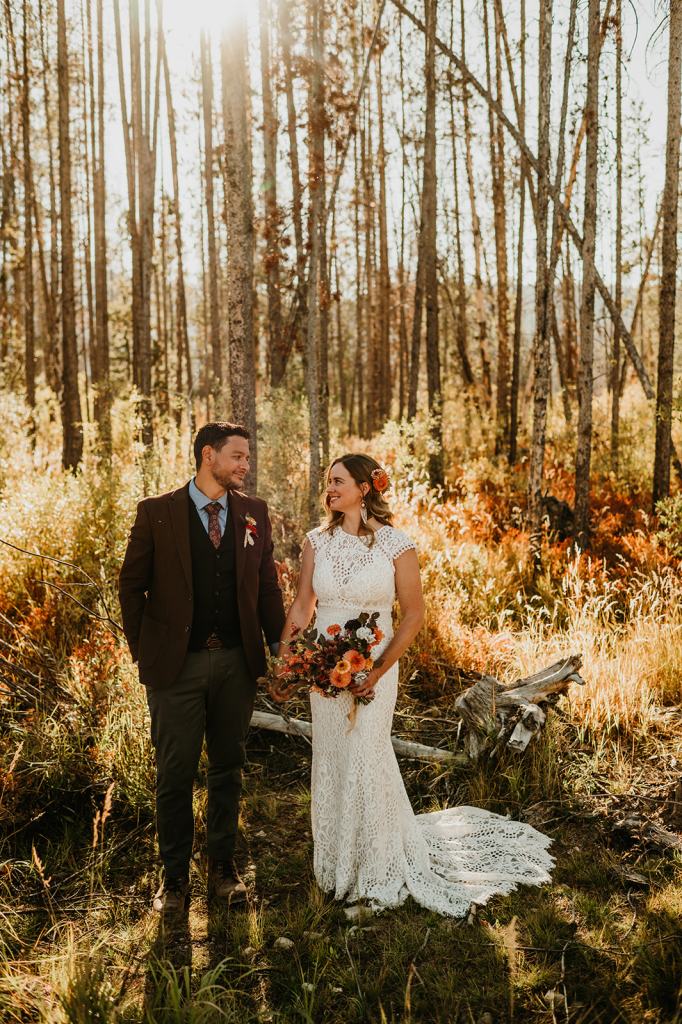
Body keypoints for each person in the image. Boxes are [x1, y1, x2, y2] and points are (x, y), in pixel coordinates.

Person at [278, 453, 554, 916]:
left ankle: (377, 869)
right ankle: (337, 863)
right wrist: (288, 661)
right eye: (328, 482)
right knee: (333, 758)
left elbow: (413, 615)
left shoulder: (396, 546)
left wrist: (377, 671)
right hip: (324, 669)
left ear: (365, 488)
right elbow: (304, 603)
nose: (329, 489)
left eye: (339, 481)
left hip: (375, 667)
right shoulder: (315, 542)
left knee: (367, 754)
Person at [118, 422, 285, 914]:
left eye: (247, 458)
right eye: (237, 456)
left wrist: (279, 650)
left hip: (238, 663)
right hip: (176, 669)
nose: (245, 465)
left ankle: (224, 870)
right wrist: (144, 651)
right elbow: (131, 587)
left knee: (228, 769)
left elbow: (269, 588)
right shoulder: (158, 513)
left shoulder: (254, 513)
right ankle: (172, 881)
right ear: (207, 456)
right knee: (174, 773)